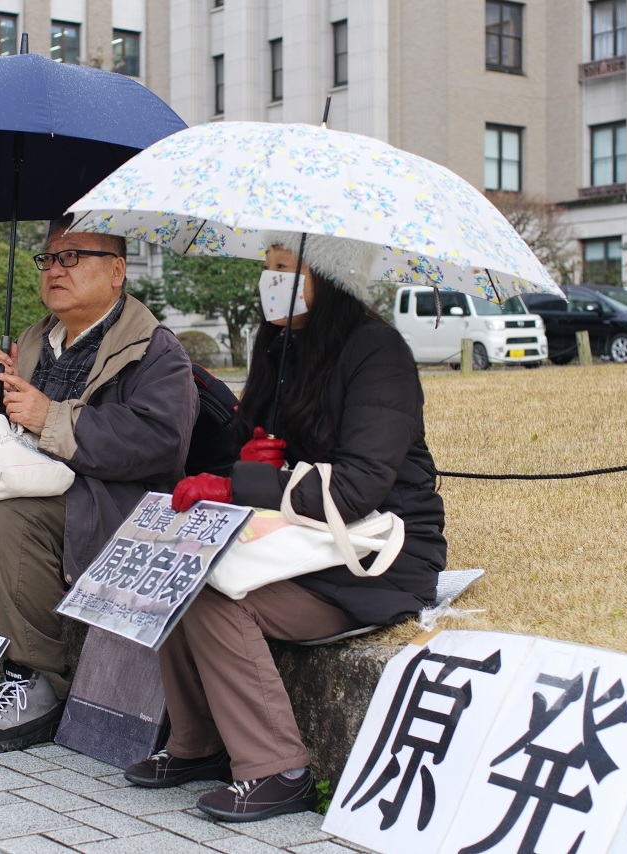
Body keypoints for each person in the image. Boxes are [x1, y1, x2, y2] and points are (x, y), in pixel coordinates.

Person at [123, 233, 447, 823]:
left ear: (332, 276)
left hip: (372, 558)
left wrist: (247, 482)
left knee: (218, 599)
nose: (271, 281)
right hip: (300, 542)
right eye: (268, 268)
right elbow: (258, 460)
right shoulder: (279, 346)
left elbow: (354, 491)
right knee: (180, 570)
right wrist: (246, 455)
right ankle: (196, 744)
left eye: (285, 268)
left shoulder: (378, 353)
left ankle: (278, 768)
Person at [0, 215, 198, 753]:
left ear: (117, 269)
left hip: (102, 513)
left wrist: (51, 417)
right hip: (13, 504)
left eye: (72, 257)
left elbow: (159, 442)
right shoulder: (32, 340)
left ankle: (37, 680)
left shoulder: (153, 348)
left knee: (14, 517)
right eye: (49, 258)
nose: (55, 270)